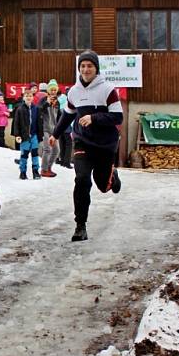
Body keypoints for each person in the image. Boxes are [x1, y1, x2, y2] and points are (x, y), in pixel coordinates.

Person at [49, 50, 122, 241]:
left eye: (89, 66)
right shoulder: (74, 91)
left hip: (105, 144)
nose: (85, 69)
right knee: (81, 180)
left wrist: (94, 118)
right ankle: (80, 225)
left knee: (102, 186)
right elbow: (68, 115)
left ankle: (111, 177)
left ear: (96, 68)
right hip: (83, 142)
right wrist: (55, 134)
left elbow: (117, 117)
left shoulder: (107, 89)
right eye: (82, 66)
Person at [13, 89, 42, 180]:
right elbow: (16, 123)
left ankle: (35, 171)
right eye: (27, 96)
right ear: (23, 98)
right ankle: (22, 172)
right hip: (24, 136)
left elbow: (39, 122)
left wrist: (40, 135)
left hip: (34, 136)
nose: (29, 98)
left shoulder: (36, 108)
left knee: (35, 154)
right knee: (24, 155)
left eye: (30, 96)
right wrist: (17, 135)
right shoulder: (20, 109)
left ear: (33, 98)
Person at [39, 81, 61, 177]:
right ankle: (44, 170)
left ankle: (48, 167)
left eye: (54, 90)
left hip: (54, 130)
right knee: (47, 149)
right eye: (51, 89)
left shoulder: (57, 102)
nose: (53, 91)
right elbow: (38, 109)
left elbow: (59, 116)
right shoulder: (44, 99)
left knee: (56, 150)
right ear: (48, 90)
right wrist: (46, 104)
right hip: (45, 128)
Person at [56, 85, 73, 168]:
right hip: (67, 127)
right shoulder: (68, 102)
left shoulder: (58, 101)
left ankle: (62, 160)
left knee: (62, 143)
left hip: (59, 127)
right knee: (68, 144)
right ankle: (66, 162)